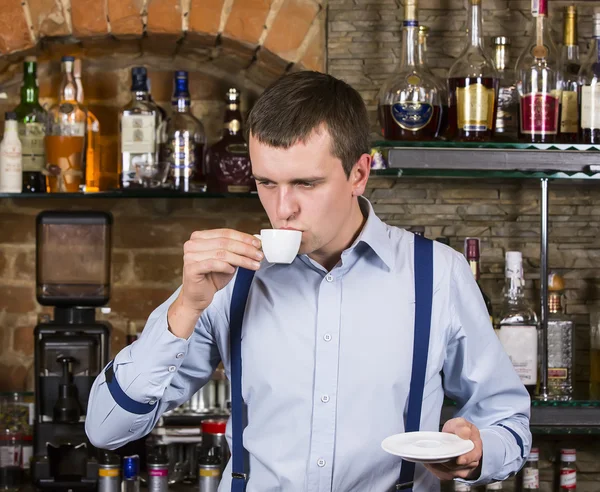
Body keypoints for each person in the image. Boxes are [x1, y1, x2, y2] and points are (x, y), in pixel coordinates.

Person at [85, 71, 531, 491]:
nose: (282, 209)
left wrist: (475, 452)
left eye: (306, 183)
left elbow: (508, 420)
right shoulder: (229, 281)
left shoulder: (439, 275)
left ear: (359, 173)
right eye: (266, 183)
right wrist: (184, 307)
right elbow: (107, 429)